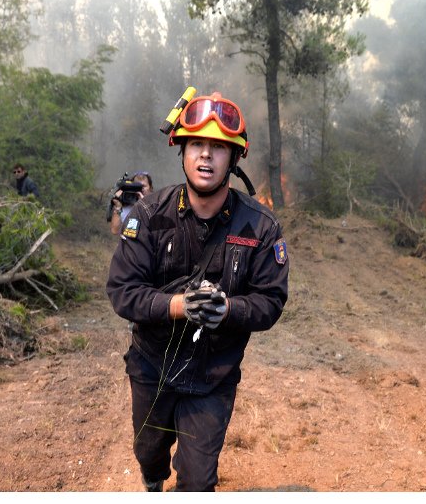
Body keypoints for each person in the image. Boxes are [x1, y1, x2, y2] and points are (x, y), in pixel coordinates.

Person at [106, 91, 289, 491]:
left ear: (234, 158)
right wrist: (177, 305)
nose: (206, 156)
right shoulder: (149, 217)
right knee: (148, 450)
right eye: (197, 145)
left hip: (212, 374)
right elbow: (122, 291)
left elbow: (271, 301)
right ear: (182, 151)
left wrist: (227, 311)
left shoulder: (259, 227)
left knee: (197, 483)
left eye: (218, 148)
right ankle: (154, 480)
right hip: (152, 366)